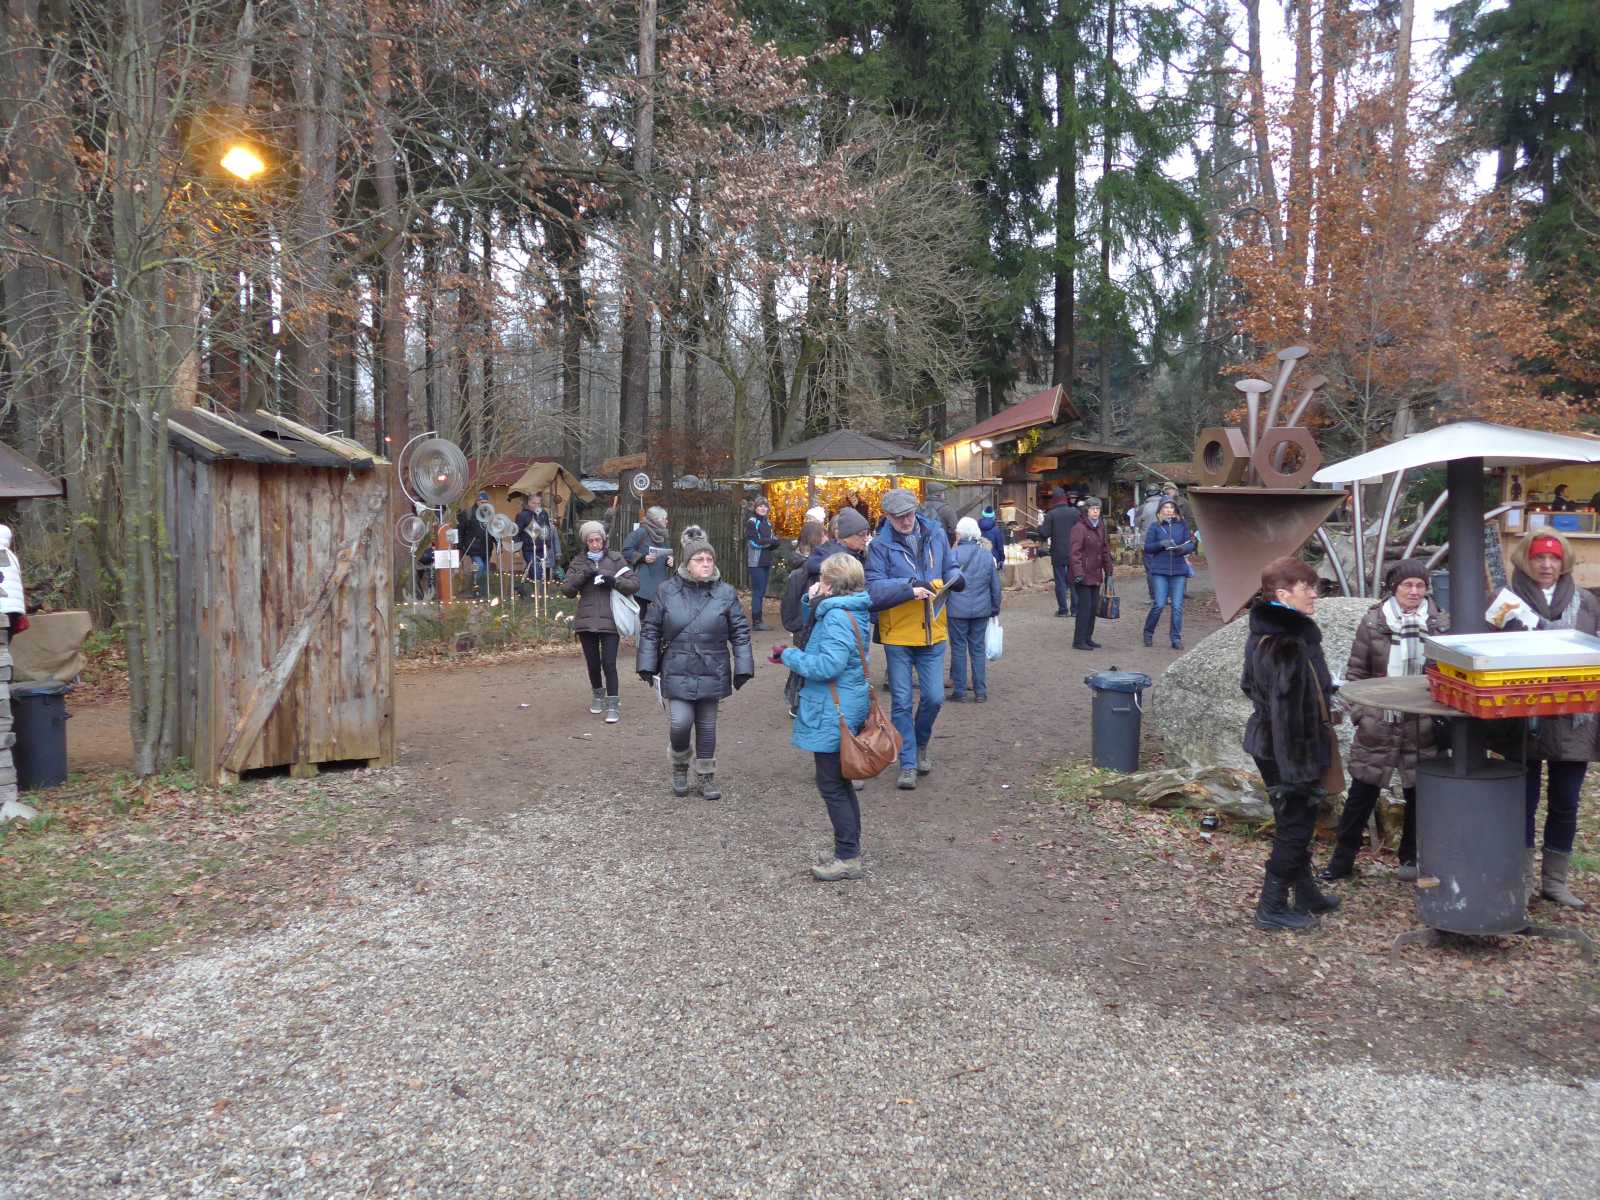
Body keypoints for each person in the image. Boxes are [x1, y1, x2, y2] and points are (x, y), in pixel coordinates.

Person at [1491, 530, 1595, 909]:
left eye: (1553, 558)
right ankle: (1518, 879)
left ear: (1563, 561)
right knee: (1523, 800)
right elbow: (1491, 649)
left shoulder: (1585, 602)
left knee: (1566, 801)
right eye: (1539, 558)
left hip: (1574, 717)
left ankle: (1554, 881)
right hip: (1525, 715)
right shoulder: (1506, 601)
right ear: (1526, 561)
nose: (1547, 565)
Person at [1320, 559, 1439, 883]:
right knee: (1362, 793)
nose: (1414, 592)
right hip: (1380, 720)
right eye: (1407, 586)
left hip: (1422, 720)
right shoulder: (1374, 622)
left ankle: (1411, 858)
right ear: (1394, 589)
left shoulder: (1439, 623)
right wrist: (1362, 713)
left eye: (1420, 585)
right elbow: (1357, 672)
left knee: (1420, 794)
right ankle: (1342, 860)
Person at [1241, 556, 1342, 931]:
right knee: (1295, 827)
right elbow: (1286, 714)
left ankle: (1306, 892)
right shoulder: (1284, 643)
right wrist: (1297, 773)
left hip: (1275, 745)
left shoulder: (1271, 634)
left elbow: (1250, 686)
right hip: (1288, 751)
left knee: (1296, 821)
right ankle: (1272, 906)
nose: (1314, 593)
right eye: (1307, 587)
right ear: (1283, 594)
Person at [637, 527, 753, 801]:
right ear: (686, 564)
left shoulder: (725, 592)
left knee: (707, 726)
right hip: (676, 666)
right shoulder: (666, 591)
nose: (705, 564)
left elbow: (739, 630)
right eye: (699, 559)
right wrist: (647, 663)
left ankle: (705, 775)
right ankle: (679, 766)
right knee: (680, 723)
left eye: (709, 559)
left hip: (713, 667)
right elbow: (651, 628)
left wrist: (744, 665)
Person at [779, 552, 875, 882]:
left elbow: (827, 665)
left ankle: (847, 856)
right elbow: (815, 632)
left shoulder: (836, 617)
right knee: (840, 782)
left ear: (832, 584)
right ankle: (849, 849)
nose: (817, 582)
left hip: (834, 708)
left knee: (832, 784)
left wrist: (790, 656)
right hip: (846, 702)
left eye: (822, 579)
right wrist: (811, 602)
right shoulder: (850, 609)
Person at [865, 487, 963, 791]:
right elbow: (874, 589)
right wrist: (909, 586)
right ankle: (907, 763)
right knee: (902, 702)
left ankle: (920, 745)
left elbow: (950, 566)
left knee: (934, 697)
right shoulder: (879, 546)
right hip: (898, 635)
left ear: (916, 510)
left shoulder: (935, 533)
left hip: (934, 629)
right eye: (898, 517)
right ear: (888, 517)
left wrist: (957, 577)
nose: (906, 520)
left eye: (909, 514)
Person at [786, 508, 873, 725]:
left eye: (866, 534)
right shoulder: (836, 560)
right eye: (861, 535)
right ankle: (800, 704)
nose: (865, 539)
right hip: (823, 618)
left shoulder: (853, 555)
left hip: (828, 617)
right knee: (821, 659)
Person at [562, 520, 642, 723]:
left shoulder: (616, 559)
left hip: (610, 620)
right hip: (586, 622)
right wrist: (585, 574)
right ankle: (598, 695)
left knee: (609, 663)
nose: (595, 544)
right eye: (590, 540)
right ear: (585, 542)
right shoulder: (579, 561)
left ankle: (613, 704)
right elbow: (567, 590)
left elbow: (634, 584)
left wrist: (614, 582)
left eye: (598, 539)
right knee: (593, 663)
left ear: (603, 539)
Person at [946, 517, 1001, 703]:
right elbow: (995, 585)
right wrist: (994, 607)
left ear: (960, 533)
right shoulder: (986, 555)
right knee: (978, 649)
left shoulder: (952, 555)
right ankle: (980, 691)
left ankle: (960, 691)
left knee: (958, 649)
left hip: (956, 609)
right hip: (981, 609)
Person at [1142, 498, 1197, 650]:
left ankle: (1175, 638)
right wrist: (1160, 544)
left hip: (1179, 569)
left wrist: (1183, 549)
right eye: (1165, 507)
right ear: (1160, 510)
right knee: (1159, 604)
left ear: (1175, 510)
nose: (1168, 510)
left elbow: (1191, 544)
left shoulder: (1183, 525)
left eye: (1171, 507)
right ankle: (1148, 632)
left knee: (1177, 606)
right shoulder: (1155, 527)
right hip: (1160, 570)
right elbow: (1147, 548)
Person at [1068, 497, 1113, 651]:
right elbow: (1075, 553)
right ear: (1086, 510)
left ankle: (1088, 637)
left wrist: (1109, 570)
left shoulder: (1100, 526)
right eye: (1093, 509)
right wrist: (1078, 572)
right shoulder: (1079, 528)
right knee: (1084, 608)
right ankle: (1079, 640)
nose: (1096, 511)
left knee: (1093, 607)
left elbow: (1104, 549)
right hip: (1083, 574)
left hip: (1095, 572)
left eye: (1098, 509)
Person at [622, 505, 673, 625]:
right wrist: (643, 558)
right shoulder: (640, 533)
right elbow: (625, 551)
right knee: (640, 622)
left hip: (659, 585)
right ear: (655, 520)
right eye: (664, 518)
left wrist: (669, 561)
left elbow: (665, 554)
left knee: (656, 621)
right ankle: (640, 643)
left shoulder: (662, 535)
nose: (667, 521)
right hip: (642, 587)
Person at [1039, 486, 1080, 618]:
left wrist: (1039, 527)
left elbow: (1045, 533)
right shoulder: (1074, 512)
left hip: (1058, 552)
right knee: (1074, 581)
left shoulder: (1051, 514)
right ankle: (1075, 610)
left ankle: (1063, 610)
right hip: (1074, 551)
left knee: (1061, 582)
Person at [745, 498, 780, 631]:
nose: (763, 509)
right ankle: (756, 621)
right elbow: (752, 542)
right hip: (756, 562)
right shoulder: (752, 522)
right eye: (760, 506)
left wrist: (772, 543)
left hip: (766, 560)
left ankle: (759, 619)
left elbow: (773, 540)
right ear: (755, 508)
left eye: (765, 506)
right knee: (757, 592)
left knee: (762, 592)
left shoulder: (768, 523)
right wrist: (769, 542)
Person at [515, 492, 559, 584]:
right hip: (529, 548)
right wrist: (516, 549)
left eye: (538, 503)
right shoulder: (522, 515)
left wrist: (548, 544)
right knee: (536, 570)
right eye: (534, 503)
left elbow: (546, 529)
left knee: (540, 572)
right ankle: (536, 592)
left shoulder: (544, 514)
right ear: (529, 503)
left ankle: (531, 591)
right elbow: (516, 532)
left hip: (542, 548)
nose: (536, 506)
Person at [456, 492, 490, 597]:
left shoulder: (490, 514)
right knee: (479, 566)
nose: (483, 504)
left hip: (487, 547)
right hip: (473, 547)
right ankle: (475, 589)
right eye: (481, 502)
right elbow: (460, 530)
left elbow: (494, 530)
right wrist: (460, 545)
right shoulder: (468, 513)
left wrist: (499, 544)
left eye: (485, 502)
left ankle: (482, 592)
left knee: (485, 570)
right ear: (477, 501)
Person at [977, 504, 1007, 569]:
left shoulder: (976, 528)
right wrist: (1002, 560)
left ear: (983, 515)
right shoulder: (996, 531)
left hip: (978, 560)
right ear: (993, 516)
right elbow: (1000, 548)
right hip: (993, 561)